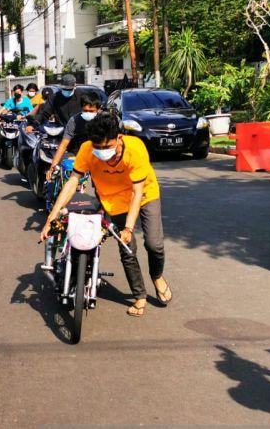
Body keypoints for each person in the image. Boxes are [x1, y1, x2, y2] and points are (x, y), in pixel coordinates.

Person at [40, 112, 172, 318]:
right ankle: (140, 296)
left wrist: (129, 227)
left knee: (154, 244)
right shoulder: (87, 149)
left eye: (106, 146)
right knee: (127, 249)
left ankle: (157, 276)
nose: (101, 151)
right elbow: (72, 182)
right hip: (113, 201)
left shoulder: (135, 149)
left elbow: (137, 193)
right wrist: (51, 218)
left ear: (118, 138)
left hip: (145, 195)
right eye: (97, 147)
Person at [46, 92, 102, 179]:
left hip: (99, 153)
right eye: (85, 110)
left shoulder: (105, 120)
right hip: (77, 153)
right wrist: (53, 166)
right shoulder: (74, 121)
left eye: (91, 111)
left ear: (98, 109)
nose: (88, 113)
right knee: (63, 167)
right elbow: (64, 144)